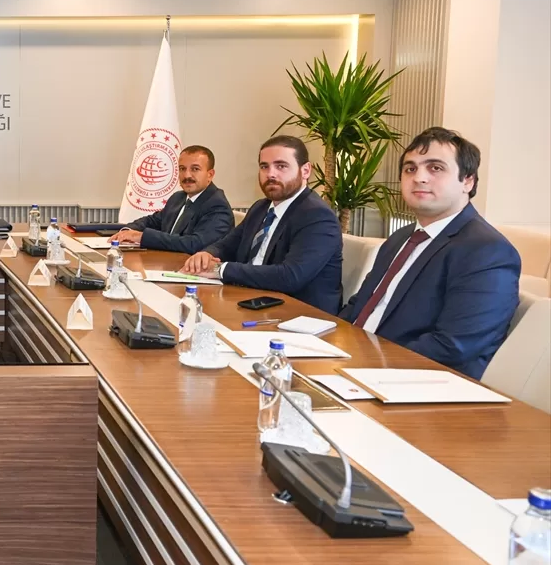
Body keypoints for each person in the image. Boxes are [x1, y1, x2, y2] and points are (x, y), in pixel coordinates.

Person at [340, 128, 519, 379]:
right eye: (410, 168)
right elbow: (359, 306)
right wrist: (327, 342)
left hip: (420, 382)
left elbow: (453, 346)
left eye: (435, 168)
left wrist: (365, 363)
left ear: (468, 181)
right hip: (356, 364)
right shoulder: (401, 238)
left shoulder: (487, 251)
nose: (419, 177)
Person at [180, 135, 342, 313]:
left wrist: (220, 269)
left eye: (281, 166)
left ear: (305, 171)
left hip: (298, 315)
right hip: (251, 301)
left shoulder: (317, 216)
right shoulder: (261, 207)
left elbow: (290, 276)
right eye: (264, 166)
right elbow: (228, 245)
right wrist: (206, 254)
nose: (271, 174)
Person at [109, 145, 234, 253]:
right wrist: (128, 231)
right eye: (182, 169)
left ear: (210, 175)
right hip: (167, 261)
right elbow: (153, 221)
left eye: (195, 169)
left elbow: (195, 244)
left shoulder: (217, 205)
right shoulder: (178, 197)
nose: (187, 175)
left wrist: (143, 237)